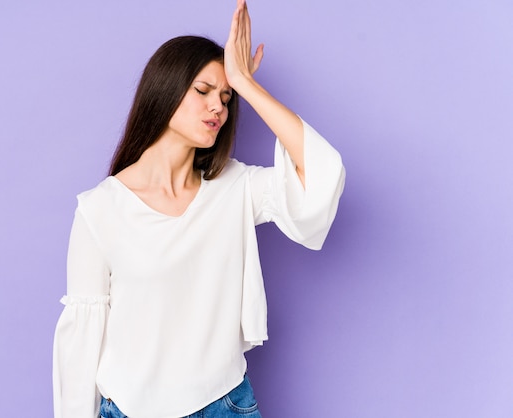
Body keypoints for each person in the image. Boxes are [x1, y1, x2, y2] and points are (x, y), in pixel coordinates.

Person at [52, 0, 345, 417]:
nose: (218, 108)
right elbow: (80, 344)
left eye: (226, 99)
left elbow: (321, 175)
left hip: (224, 404)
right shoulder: (99, 210)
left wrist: (246, 84)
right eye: (203, 91)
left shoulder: (236, 188)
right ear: (165, 90)